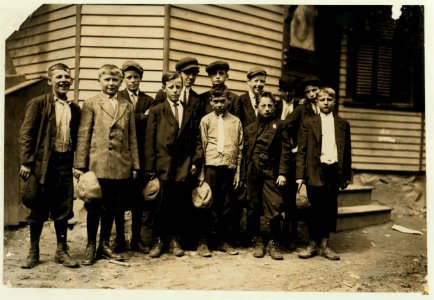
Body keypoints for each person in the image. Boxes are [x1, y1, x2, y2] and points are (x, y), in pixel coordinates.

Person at [74, 64, 140, 266]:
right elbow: (84, 134)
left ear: (120, 82)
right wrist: (80, 165)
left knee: (112, 207)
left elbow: (132, 137)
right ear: (99, 81)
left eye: (114, 80)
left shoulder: (126, 105)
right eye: (107, 80)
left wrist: (135, 165)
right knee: (94, 206)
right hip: (98, 164)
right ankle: (91, 245)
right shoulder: (91, 103)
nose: (111, 84)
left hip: (120, 165)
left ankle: (104, 244)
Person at [19, 63, 81, 269]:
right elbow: (26, 134)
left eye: (67, 77)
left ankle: (61, 251)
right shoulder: (38, 103)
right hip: (40, 164)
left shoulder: (74, 108)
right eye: (59, 77)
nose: (63, 80)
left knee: (63, 208)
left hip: (64, 162)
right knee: (37, 206)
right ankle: (33, 251)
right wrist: (27, 162)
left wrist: (78, 164)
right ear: (50, 81)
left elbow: (77, 138)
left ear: (71, 81)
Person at [144, 71, 203, 258]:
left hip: (183, 166)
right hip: (163, 165)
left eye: (178, 87)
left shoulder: (189, 112)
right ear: (164, 89)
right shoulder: (157, 111)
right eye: (171, 87)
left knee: (179, 204)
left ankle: (175, 241)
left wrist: (195, 161)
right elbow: (149, 140)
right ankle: (159, 240)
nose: (175, 90)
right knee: (161, 205)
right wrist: (150, 168)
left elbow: (196, 139)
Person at [295, 87, 352, 261]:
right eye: (322, 100)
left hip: (333, 170)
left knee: (329, 208)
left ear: (334, 102)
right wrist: (299, 176)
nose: (326, 103)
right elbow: (302, 151)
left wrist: (346, 175)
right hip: (314, 170)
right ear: (317, 102)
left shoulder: (343, 124)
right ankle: (311, 243)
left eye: (329, 100)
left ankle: (325, 245)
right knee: (314, 208)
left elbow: (347, 151)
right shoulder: (309, 122)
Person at [243, 92, 291, 260]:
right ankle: (257, 241)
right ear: (257, 107)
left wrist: (283, 173)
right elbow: (244, 153)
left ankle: (273, 242)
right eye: (263, 105)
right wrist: (242, 176)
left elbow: (285, 151)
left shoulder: (280, 126)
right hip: (252, 170)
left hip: (271, 170)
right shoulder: (249, 128)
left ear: (274, 107)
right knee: (253, 206)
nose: (267, 109)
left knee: (274, 205)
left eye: (270, 105)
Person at [114, 60, 155, 254]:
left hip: (141, 157)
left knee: (138, 201)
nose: (132, 81)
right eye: (129, 77)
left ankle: (137, 240)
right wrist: (141, 117)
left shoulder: (149, 101)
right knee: (120, 201)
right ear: (123, 79)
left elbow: (151, 126)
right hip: (121, 157)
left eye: (136, 77)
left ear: (141, 79)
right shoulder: (118, 97)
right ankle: (120, 240)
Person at [197, 88, 243, 257]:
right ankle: (203, 242)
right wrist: (201, 174)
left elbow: (240, 148)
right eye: (215, 101)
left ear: (228, 101)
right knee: (207, 204)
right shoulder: (205, 120)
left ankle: (223, 241)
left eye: (222, 101)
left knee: (226, 206)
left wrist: (238, 172)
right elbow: (201, 147)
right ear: (210, 102)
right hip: (211, 167)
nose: (219, 104)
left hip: (228, 169)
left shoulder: (235, 121)